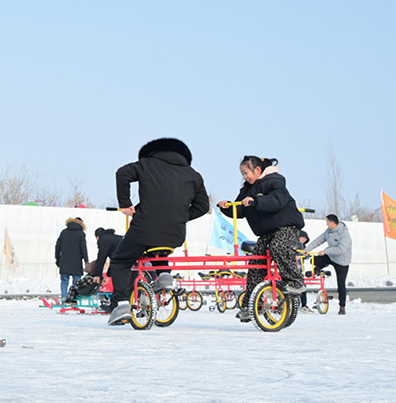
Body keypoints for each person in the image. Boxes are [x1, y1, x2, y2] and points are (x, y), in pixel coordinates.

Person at [107, 138, 209, 325]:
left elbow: (122, 173)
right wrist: (180, 216)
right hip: (175, 234)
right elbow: (203, 206)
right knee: (157, 249)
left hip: (144, 228)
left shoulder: (147, 164)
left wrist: (125, 204)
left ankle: (121, 304)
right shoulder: (193, 174)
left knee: (120, 261)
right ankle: (164, 277)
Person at [218, 156, 307, 323]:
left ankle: (295, 281)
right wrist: (227, 207)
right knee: (256, 263)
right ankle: (251, 305)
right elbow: (241, 210)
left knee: (278, 247)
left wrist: (256, 201)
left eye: (246, 173)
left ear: (257, 170)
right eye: (242, 174)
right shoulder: (247, 189)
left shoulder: (274, 181)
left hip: (286, 227)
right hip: (266, 232)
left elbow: (277, 201)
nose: (244, 177)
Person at [305, 214, 353, 315]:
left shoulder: (344, 234)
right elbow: (318, 240)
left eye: (327, 222)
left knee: (341, 284)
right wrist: (306, 250)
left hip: (342, 261)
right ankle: (318, 269)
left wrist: (326, 251)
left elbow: (341, 249)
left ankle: (342, 307)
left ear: (332, 222)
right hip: (331, 256)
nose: (326, 224)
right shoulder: (328, 231)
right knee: (314, 260)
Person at [55, 217, 88, 301]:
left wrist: (57, 259)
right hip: (76, 262)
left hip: (64, 261)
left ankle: (64, 297)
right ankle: (74, 298)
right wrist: (86, 260)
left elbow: (58, 246)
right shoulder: (81, 234)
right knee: (76, 283)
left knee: (64, 281)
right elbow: (83, 248)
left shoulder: (64, 232)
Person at [296, 229, 313, 312]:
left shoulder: (304, 247)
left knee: (303, 287)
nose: (304, 239)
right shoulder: (294, 246)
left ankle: (303, 304)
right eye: (303, 237)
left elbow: (307, 255)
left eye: (306, 238)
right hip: (291, 269)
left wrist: (306, 254)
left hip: (299, 270)